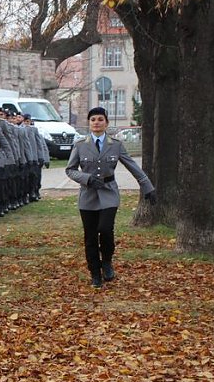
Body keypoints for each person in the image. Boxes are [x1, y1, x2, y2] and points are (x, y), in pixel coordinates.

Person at [65, 107, 156, 287]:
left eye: (100, 119)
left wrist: (147, 186)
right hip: (88, 195)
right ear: (89, 123)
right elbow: (70, 170)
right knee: (90, 236)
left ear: (106, 123)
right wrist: (87, 179)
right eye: (93, 120)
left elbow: (132, 165)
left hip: (109, 193)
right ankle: (95, 273)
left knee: (106, 229)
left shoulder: (115, 144)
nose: (96, 122)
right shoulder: (80, 144)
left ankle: (106, 261)